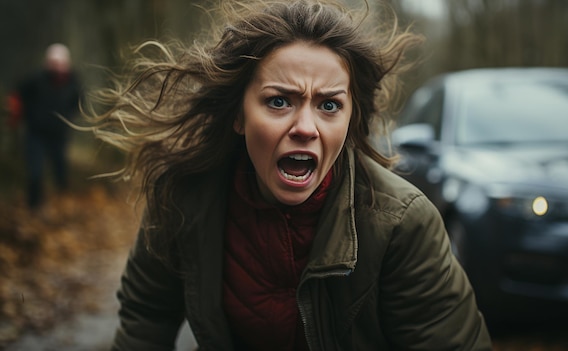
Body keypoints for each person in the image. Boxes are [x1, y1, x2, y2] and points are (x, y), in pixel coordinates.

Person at [91, 0, 492, 349]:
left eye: (329, 105)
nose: (305, 127)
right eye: (279, 101)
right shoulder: (183, 198)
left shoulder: (403, 222)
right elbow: (146, 317)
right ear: (238, 115)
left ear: (351, 119)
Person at [9, 43, 82, 210]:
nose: (57, 67)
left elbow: (79, 103)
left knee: (60, 173)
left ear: (67, 63)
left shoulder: (74, 82)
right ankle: (33, 207)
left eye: (60, 63)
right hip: (36, 134)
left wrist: (69, 118)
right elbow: (17, 97)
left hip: (59, 135)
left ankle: (62, 207)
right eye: (53, 62)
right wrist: (17, 117)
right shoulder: (35, 79)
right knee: (35, 172)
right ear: (47, 62)